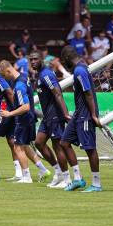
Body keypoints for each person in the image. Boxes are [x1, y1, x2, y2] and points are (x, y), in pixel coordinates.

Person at [0, 60, 51, 184]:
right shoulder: (23, 77)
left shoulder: (19, 86)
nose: (5, 79)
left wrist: (9, 114)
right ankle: (43, 170)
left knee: (17, 147)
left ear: (8, 71)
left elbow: (25, 106)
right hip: (29, 118)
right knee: (25, 146)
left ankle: (26, 177)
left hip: (24, 119)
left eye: (4, 76)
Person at [59, 45, 102, 192]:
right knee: (64, 142)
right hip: (79, 113)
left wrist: (93, 114)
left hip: (86, 115)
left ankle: (96, 183)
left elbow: (88, 93)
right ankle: (78, 179)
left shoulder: (80, 70)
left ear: (66, 59)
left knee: (90, 149)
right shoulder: (81, 68)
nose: (64, 66)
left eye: (64, 63)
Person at [30, 51, 72, 189]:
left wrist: (65, 114)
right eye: (31, 60)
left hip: (55, 115)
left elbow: (57, 93)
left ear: (42, 60)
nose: (33, 62)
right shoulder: (39, 74)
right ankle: (58, 172)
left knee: (57, 146)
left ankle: (67, 179)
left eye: (35, 59)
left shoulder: (46, 74)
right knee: (39, 143)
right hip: (47, 116)